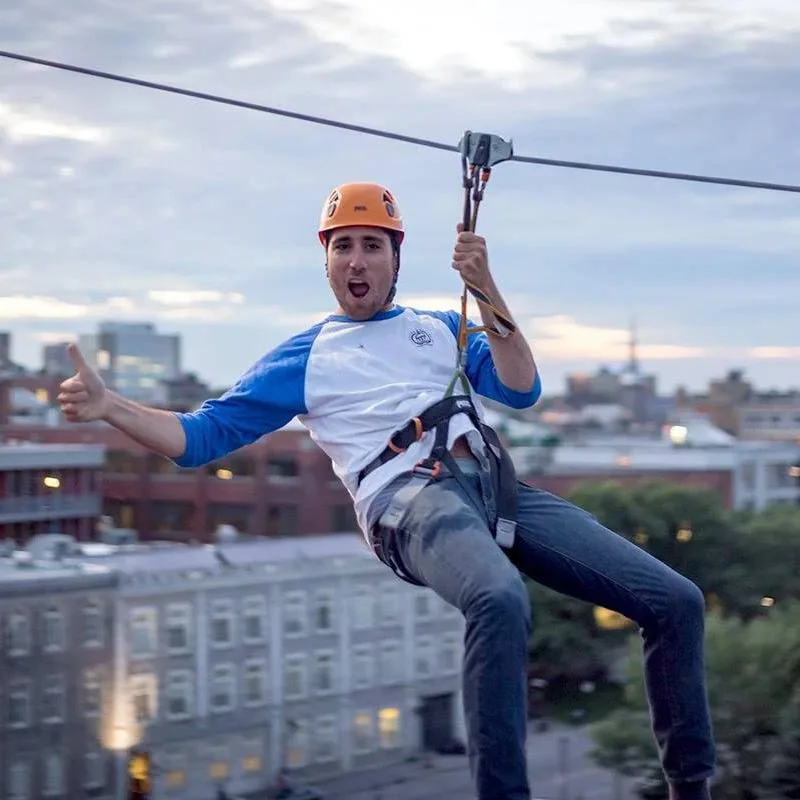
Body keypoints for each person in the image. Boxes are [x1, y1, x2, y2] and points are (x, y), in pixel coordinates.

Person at [58, 181, 715, 800]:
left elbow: (520, 387)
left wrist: (485, 288)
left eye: (372, 244)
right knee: (497, 597)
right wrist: (110, 405)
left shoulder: (442, 328)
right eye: (342, 245)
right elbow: (200, 439)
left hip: (494, 487)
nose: (356, 258)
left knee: (675, 601)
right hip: (410, 503)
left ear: (396, 258)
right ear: (326, 262)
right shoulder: (306, 356)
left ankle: (691, 787)